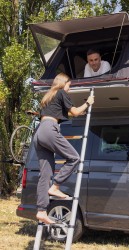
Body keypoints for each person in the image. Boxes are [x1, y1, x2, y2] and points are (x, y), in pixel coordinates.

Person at [33, 72, 94, 224]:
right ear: (63, 83)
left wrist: (82, 110)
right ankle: (56, 186)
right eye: (69, 85)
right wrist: (88, 103)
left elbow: (69, 113)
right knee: (74, 158)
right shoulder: (61, 92)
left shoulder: (49, 96)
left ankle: (41, 211)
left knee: (45, 173)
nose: (69, 89)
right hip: (49, 129)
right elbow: (74, 112)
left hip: (39, 132)